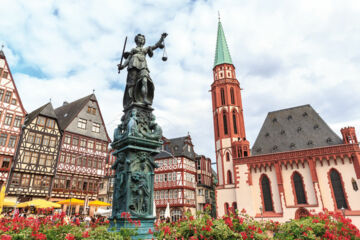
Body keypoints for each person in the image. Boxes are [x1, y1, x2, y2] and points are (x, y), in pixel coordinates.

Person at [118, 33, 167, 107]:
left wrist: (162, 38)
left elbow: (156, 45)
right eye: (139, 38)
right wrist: (122, 66)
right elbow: (128, 59)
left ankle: (144, 98)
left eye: (143, 39)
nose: (141, 39)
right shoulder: (133, 50)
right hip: (133, 65)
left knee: (145, 80)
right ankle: (131, 101)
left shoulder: (146, 49)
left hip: (143, 65)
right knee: (131, 84)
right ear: (136, 40)